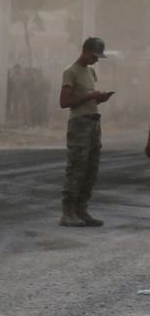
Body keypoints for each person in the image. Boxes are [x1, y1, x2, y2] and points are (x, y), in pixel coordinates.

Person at [60, 36, 112, 227]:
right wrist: (90, 96)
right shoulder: (70, 72)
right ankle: (68, 212)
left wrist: (100, 99)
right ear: (85, 50)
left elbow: (88, 99)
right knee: (76, 167)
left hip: (93, 122)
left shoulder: (90, 72)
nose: (96, 59)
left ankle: (81, 210)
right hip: (79, 123)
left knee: (91, 168)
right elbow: (64, 102)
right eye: (94, 55)